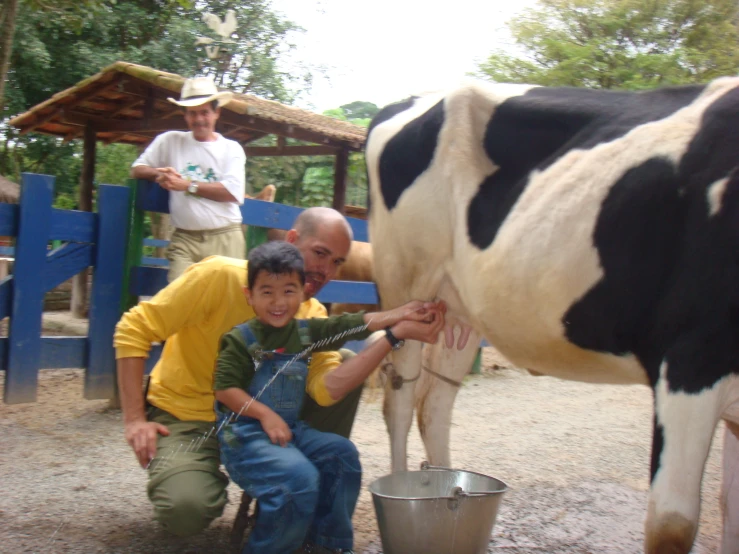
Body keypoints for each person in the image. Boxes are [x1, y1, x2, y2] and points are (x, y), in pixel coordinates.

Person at [114, 206, 438, 538]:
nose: (326, 270)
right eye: (320, 253)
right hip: (188, 419)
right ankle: (203, 473)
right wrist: (135, 419)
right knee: (185, 510)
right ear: (293, 239)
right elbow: (133, 329)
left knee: (341, 360)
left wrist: (392, 335)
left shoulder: (312, 314)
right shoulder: (219, 276)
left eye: (337, 262)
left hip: (258, 425)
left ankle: (299, 499)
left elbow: (327, 390)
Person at [214, 242, 445, 554]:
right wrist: (265, 415)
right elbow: (225, 390)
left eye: (289, 291)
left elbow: (350, 325)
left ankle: (327, 545)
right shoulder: (240, 339)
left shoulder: (305, 332)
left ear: (302, 292)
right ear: (249, 295)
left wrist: (401, 315)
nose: (278, 301)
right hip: (244, 438)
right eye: (267, 292)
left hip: (288, 431)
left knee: (341, 454)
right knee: (299, 476)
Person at [130, 76, 247, 282]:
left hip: (225, 236)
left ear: (216, 112)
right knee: (179, 298)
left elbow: (232, 192)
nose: (199, 119)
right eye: (193, 113)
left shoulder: (231, 148)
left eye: (205, 112)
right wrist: (158, 174)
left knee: (225, 306)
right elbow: (137, 169)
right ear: (184, 115)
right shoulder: (170, 141)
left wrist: (186, 185)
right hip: (184, 237)